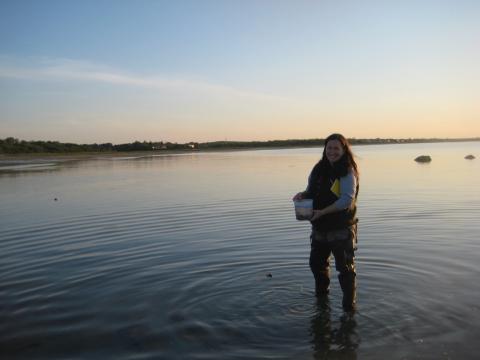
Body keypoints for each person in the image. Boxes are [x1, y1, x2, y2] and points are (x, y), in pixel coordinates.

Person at [293, 133, 359, 312]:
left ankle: (349, 310)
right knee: (316, 264)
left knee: (345, 270)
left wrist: (323, 212)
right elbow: (311, 191)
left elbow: (346, 200)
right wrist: (303, 195)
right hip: (319, 228)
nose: (332, 151)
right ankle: (322, 302)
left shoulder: (347, 171)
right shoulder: (318, 169)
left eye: (336, 148)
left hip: (341, 229)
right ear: (324, 149)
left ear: (344, 150)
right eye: (329, 148)